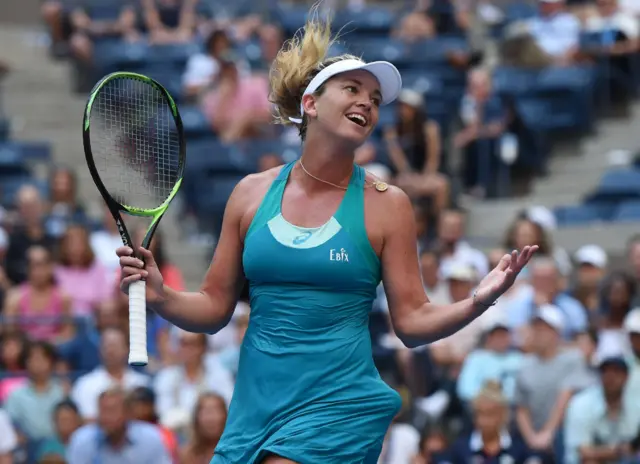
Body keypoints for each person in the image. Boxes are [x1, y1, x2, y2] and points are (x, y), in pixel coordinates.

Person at [116, 9, 537, 464]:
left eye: (375, 98)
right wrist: (162, 297)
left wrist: (479, 299)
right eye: (352, 89)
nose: (368, 103)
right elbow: (215, 307)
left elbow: (412, 323)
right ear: (311, 104)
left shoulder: (388, 204)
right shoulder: (250, 194)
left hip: (338, 407)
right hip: (256, 406)